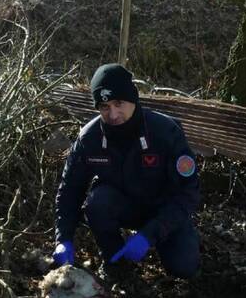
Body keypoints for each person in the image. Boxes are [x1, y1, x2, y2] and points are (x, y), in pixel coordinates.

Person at [51, 63, 201, 279]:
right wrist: (63, 239)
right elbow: (69, 190)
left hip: (162, 211)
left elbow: (189, 193)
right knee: (97, 203)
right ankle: (115, 261)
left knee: (184, 266)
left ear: (132, 99)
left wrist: (149, 235)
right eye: (104, 107)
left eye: (118, 103)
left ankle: (170, 244)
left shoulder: (165, 133)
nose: (113, 114)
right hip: (123, 206)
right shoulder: (89, 139)